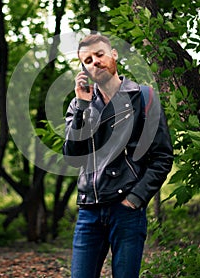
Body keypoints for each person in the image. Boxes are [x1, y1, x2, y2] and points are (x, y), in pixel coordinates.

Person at [63, 34, 173, 278]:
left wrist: (135, 198)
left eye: (99, 55)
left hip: (127, 210)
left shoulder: (144, 97)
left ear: (113, 54)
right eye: (88, 60)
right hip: (89, 210)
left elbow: (162, 157)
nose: (95, 62)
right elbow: (72, 156)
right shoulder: (79, 105)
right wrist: (82, 107)